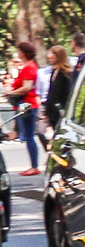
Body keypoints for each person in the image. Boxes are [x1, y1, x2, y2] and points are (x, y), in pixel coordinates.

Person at [7, 41, 39, 173]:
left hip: (27, 105)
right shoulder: (29, 67)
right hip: (25, 104)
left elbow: (26, 87)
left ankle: (34, 166)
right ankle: (33, 165)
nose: (18, 53)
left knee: (29, 135)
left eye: (19, 51)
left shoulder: (29, 68)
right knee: (27, 135)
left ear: (24, 53)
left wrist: (10, 93)